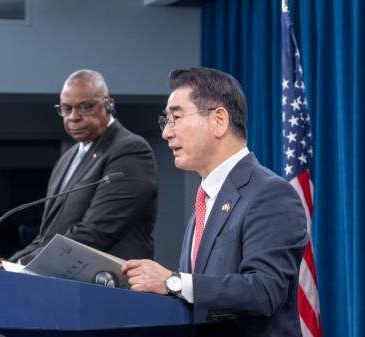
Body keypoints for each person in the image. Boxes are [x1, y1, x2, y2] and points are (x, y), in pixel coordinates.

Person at [122, 68, 307, 337]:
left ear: (219, 120)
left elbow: (264, 291)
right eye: (166, 121)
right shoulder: (206, 200)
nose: (166, 133)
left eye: (176, 117)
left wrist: (173, 282)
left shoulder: (271, 194)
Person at [7, 69, 157, 265]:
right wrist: (6, 264)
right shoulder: (66, 159)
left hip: (110, 287)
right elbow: (47, 236)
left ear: (109, 105)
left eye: (85, 107)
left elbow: (96, 231)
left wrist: (23, 265)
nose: (73, 117)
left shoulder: (130, 150)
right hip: (65, 282)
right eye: (66, 109)